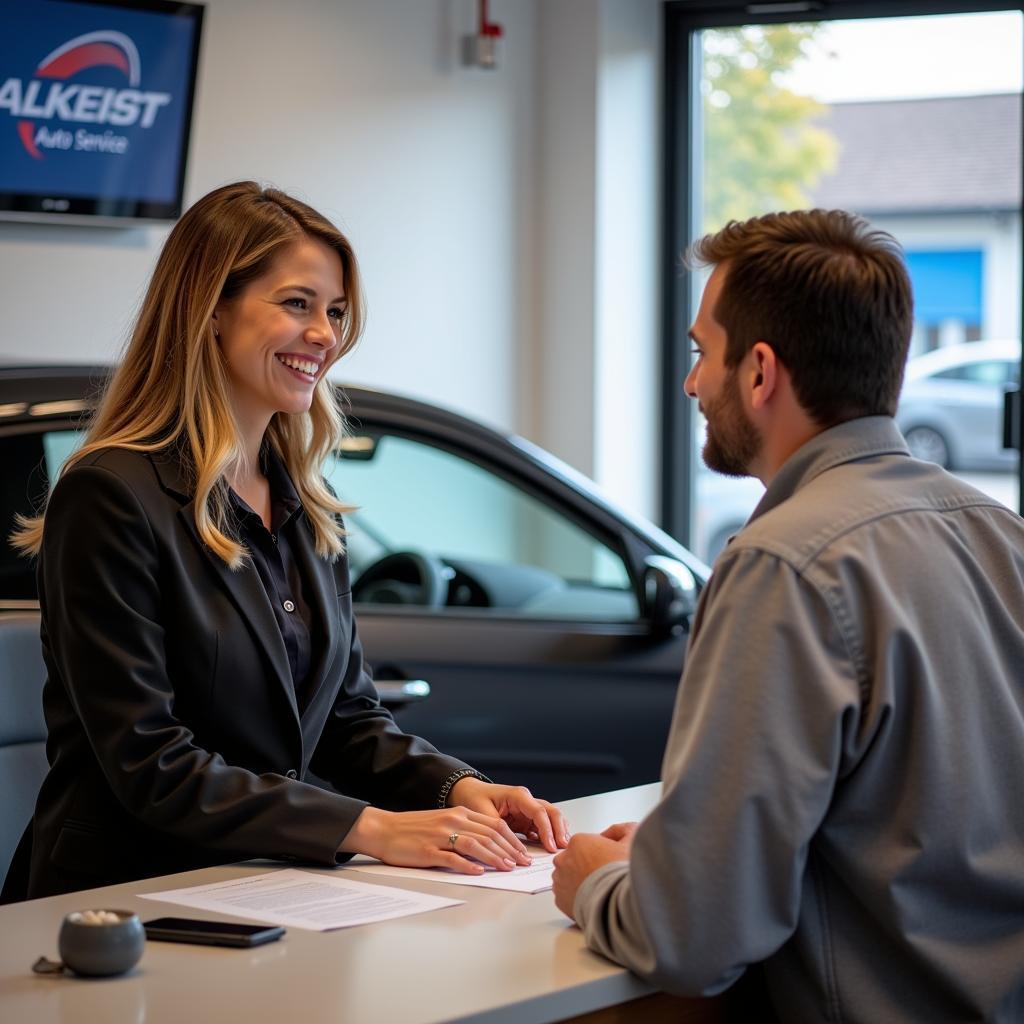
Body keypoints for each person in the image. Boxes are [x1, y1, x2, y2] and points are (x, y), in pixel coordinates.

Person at [3, 181, 567, 902]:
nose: (326, 335)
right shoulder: (112, 495)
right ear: (209, 310)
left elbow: (346, 718)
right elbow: (152, 762)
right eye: (297, 304)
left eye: (334, 312)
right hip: (122, 902)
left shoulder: (303, 502)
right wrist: (372, 828)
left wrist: (456, 787)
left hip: (260, 888)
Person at [551, 209, 1024, 1022]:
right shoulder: (1001, 534)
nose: (693, 383)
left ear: (760, 371)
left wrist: (596, 878)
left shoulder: (784, 564)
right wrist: (679, 861)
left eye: (703, 353)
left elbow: (694, 936)